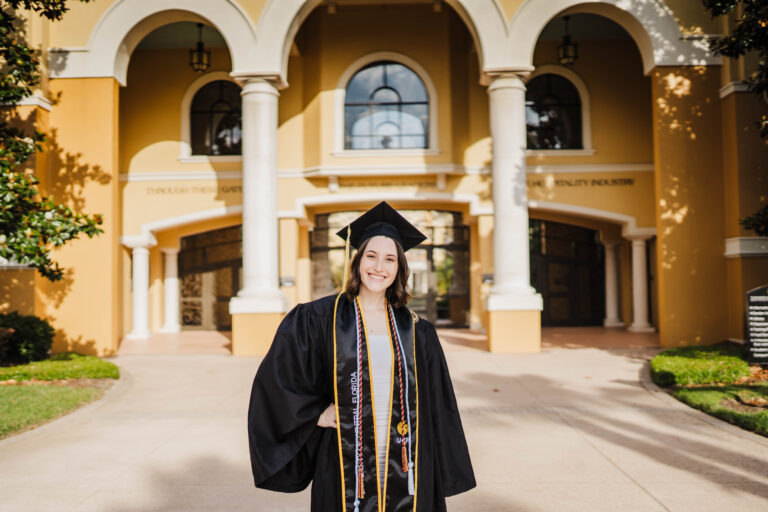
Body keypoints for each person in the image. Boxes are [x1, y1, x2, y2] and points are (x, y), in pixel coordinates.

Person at [247, 201, 475, 512]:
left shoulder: (419, 331)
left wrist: (443, 470)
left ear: (399, 268)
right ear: (357, 260)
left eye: (390, 259)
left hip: (407, 456)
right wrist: (315, 413)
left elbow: (438, 405)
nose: (379, 267)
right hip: (346, 451)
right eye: (371, 256)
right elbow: (278, 377)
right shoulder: (318, 319)